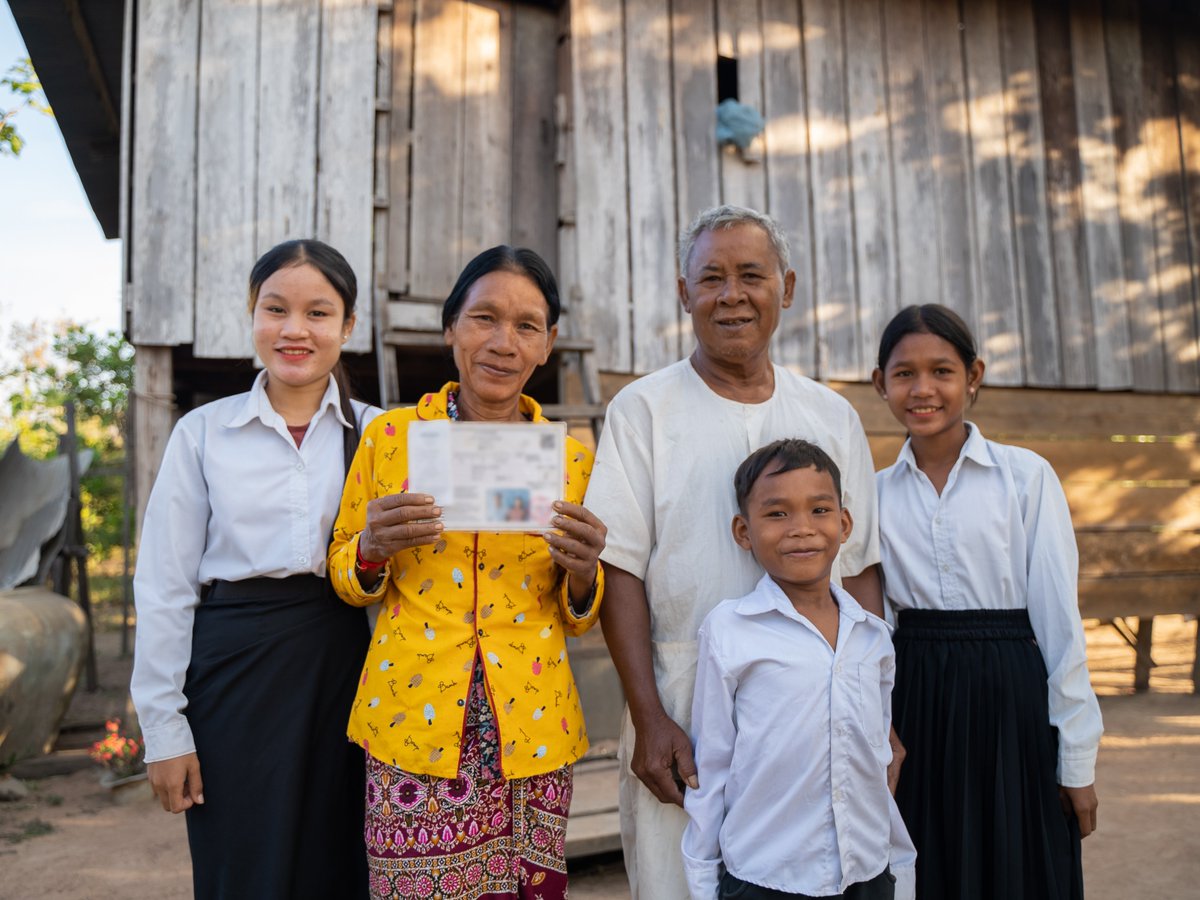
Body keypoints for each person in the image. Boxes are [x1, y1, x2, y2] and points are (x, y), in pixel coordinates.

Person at [584, 204, 889, 899]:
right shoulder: (644, 409)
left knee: (816, 874)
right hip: (683, 705)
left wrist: (879, 713)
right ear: (683, 293)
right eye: (711, 277)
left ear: (786, 287)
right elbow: (618, 568)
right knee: (679, 881)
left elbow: (861, 564)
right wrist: (652, 716)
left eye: (751, 275)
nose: (731, 295)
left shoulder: (830, 415)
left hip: (817, 708)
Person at [327, 245, 608, 900]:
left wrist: (584, 575)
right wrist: (369, 548)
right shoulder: (391, 440)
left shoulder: (570, 462)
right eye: (483, 318)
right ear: (450, 327)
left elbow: (580, 612)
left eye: (527, 326)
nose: (503, 343)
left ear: (548, 344)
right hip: (413, 727)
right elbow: (343, 570)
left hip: (533, 728)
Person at [130, 239, 379, 899]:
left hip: (349, 675)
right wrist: (163, 728)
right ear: (252, 315)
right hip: (231, 674)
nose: (295, 330)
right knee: (243, 868)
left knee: (342, 864)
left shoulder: (386, 434)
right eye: (276, 309)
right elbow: (163, 587)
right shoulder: (204, 434)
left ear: (349, 327)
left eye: (319, 313)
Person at [872, 304, 1102, 900]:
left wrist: (1076, 761)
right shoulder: (870, 496)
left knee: (1017, 863)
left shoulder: (1025, 477)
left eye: (942, 371)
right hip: (917, 701)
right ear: (880, 384)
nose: (923, 389)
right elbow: (874, 622)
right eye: (904, 374)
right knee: (930, 863)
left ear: (973, 377)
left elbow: (1059, 626)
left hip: (1011, 701)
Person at [682, 439, 915, 900]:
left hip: (866, 872)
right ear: (743, 531)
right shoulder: (731, 631)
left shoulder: (872, 636)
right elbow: (713, 765)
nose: (802, 529)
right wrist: (703, 880)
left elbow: (876, 760)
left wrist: (899, 868)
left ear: (844, 524)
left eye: (820, 510)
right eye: (777, 514)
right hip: (766, 875)